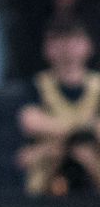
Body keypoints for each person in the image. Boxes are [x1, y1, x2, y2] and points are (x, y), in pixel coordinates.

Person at [18, 22, 100, 194]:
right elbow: (29, 121)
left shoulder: (96, 85)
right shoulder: (39, 84)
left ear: (89, 45)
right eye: (60, 41)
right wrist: (80, 132)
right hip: (47, 177)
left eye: (74, 40)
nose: (67, 48)